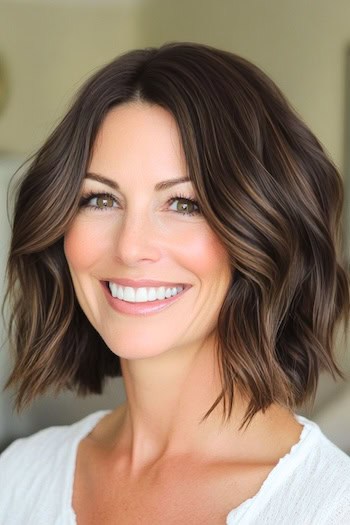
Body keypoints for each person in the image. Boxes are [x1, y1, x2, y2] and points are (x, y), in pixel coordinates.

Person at [0, 42, 349, 525]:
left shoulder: (330, 507)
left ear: (262, 232)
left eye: (184, 204)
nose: (130, 247)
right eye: (100, 199)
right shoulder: (19, 480)